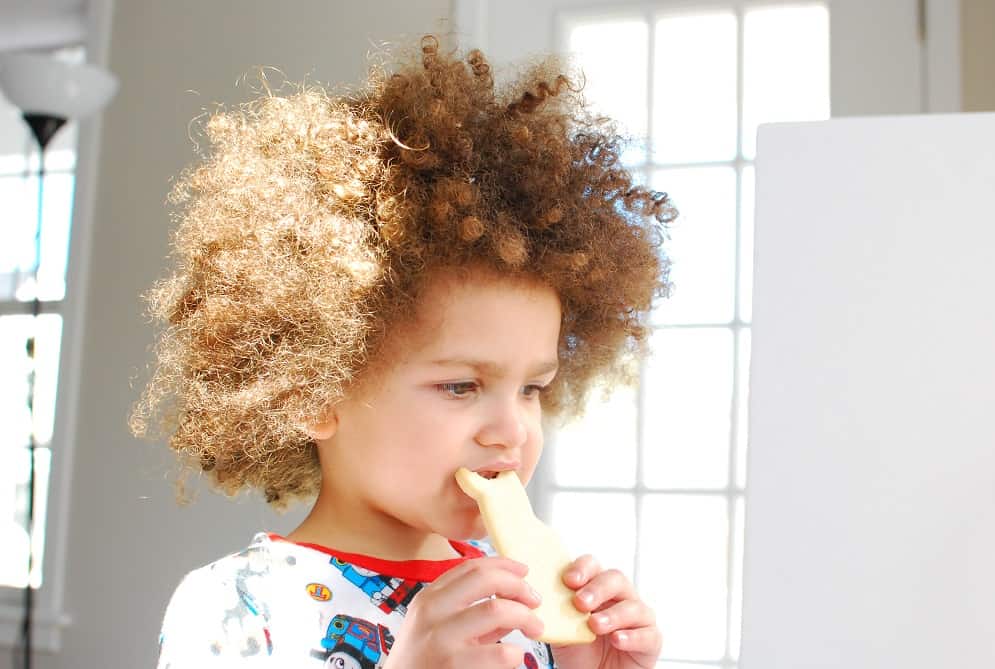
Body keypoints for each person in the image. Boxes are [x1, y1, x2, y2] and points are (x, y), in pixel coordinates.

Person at [130, 33, 677, 669]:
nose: (513, 431)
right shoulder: (239, 605)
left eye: (531, 389)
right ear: (315, 391)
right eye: (462, 386)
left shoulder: (520, 607)